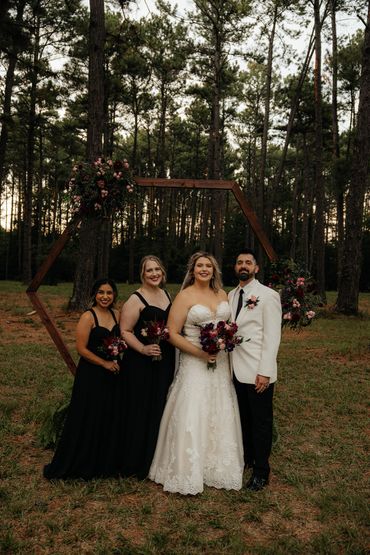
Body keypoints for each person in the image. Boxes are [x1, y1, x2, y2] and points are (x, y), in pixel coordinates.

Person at [149, 252, 244, 495]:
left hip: (220, 363)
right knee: (193, 408)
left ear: (214, 271)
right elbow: (171, 333)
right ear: (192, 270)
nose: (204, 269)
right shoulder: (185, 296)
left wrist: (224, 341)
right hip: (194, 361)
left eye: (208, 266)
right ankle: (186, 468)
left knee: (219, 408)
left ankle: (216, 466)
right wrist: (200, 353)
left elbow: (228, 327)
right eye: (199, 266)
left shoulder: (222, 294)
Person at [44, 279, 123, 480]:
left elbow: (120, 340)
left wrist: (116, 358)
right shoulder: (89, 316)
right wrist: (103, 363)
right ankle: (80, 461)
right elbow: (81, 349)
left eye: (109, 293)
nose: (105, 296)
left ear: (114, 295)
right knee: (87, 414)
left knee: (106, 415)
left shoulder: (117, 315)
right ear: (94, 295)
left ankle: (101, 462)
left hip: (112, 374)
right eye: (100, 292)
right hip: (91, 373)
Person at [228, 249, 281, 491]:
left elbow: (272, 337)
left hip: (257, 371)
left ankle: (261, 471)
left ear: (256, 268)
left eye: (248, 262)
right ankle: (248, 458)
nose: (243, 266)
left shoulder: (267, 295)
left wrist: (266, 372)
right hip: (233, 370)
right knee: (243, 419)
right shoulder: (230, 295)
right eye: (239, 262)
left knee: (261, 422)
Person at [119, 255, 175, 479]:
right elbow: (125, 331)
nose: (154, 274)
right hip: (141, 363)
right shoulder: (136, 299)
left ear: (162, 272)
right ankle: (134, 461)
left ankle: (154, 459)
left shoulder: (166, 294)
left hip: (164, 361)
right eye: (149, 270)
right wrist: (143, 349)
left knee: (158, 407)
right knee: (141, 409)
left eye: (157, 269)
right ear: (142, 274)